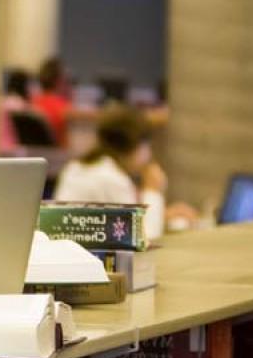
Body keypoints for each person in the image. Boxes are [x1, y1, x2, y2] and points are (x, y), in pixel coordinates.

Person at [52, 103, 195, 240]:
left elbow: (108, 223)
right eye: (146, 146)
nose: (149, 154)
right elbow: (143, 237)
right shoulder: (112, 179)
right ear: (134, 145)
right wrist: (153, 191)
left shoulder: (76, 167)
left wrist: (163, 215)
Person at [31, 56, 72, 148]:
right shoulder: (64, 109)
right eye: (67, 80)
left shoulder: (31, 103)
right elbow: (66, 146)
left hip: (33, 157)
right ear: (59, 81)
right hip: (56, 157)